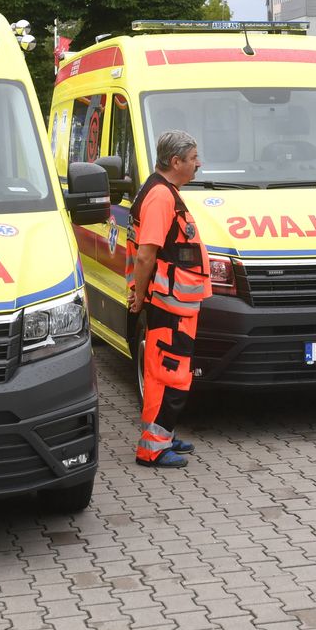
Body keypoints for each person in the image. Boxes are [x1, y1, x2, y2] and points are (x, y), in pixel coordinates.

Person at [126, 130, 212, 468]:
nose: (198, 164)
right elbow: (146, 255)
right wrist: (141, 295)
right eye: (193, 159)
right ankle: (153, 448)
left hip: (173, 301)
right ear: (174, 162)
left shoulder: (162, 191)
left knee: (167, 371)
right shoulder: (161, 197)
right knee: (168, 374)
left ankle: (163, 432)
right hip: (169, 302)